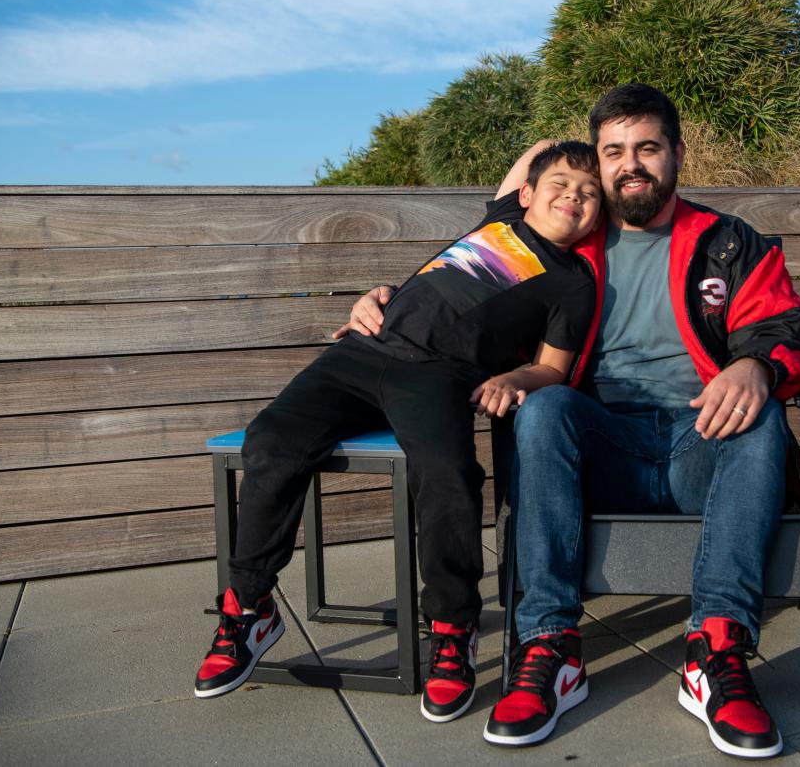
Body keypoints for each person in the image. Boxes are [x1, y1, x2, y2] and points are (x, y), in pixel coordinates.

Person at [345, 84, 800, 759]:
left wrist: (762, 368)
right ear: (596, 163)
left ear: (677, 155)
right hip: (601, 449)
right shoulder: (563, 245)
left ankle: (715, 652)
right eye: (613, 152)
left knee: (762, 415)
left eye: (647, 148)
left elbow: (789, 334)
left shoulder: (730, 244)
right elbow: (463, 279)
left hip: (699, 444)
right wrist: (387, 300)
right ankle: (550, 650)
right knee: (546, 408)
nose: (631, 165)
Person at [193, 141, 602, 727]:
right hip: (362, 352)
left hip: (439, 378)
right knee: (272, 442)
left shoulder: (573, 281)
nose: (574, 196)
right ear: (528, 194)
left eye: (590, 193)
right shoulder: (500, 220)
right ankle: (250, 607)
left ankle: (452, 629)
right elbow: (538, 151)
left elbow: (554, 368)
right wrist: (575, 151)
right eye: (561, 184)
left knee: (448, 474)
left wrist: (513, 375)